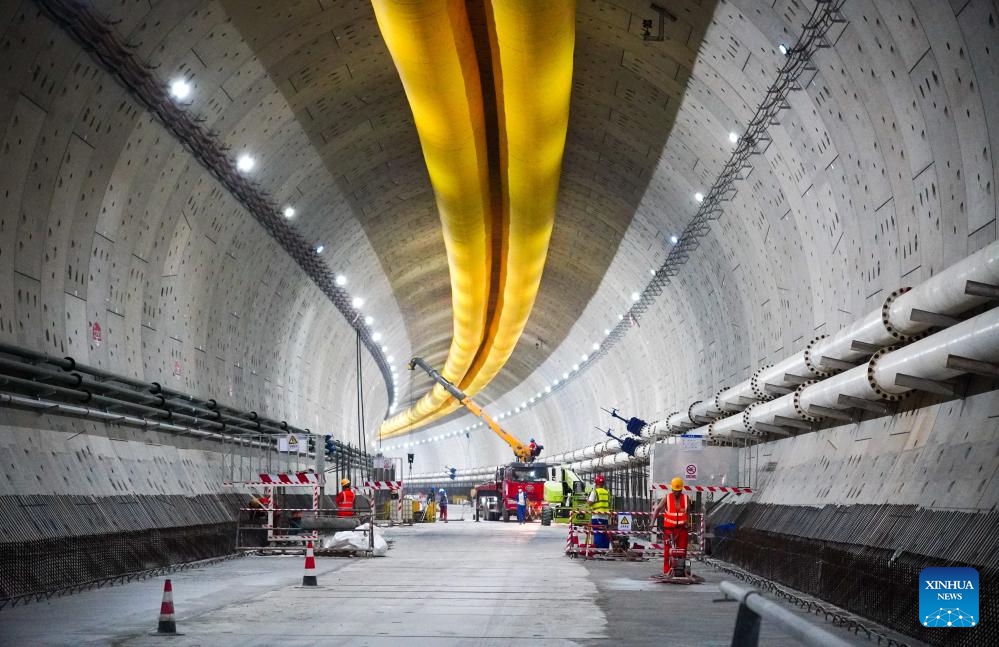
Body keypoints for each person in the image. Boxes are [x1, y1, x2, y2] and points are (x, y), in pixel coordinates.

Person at [652, 477, 690, 576]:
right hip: (669, 531)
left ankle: (681, 571)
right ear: (672, 489)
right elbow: (657, 509)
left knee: (682, 552)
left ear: (681, 489)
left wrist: (688, 522)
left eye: (678, 490)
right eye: (674, 490)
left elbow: (688, 512)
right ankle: (667, 572)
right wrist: (652, 523)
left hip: (682, 530)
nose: (676, 492)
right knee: (667, 552)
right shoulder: (667, 498)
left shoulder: (686, 499)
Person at [587, 474, 611, 554]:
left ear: (595, 483)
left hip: (597, 516)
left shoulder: (595, 492)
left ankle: (598, 550)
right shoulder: (607, 492)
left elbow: (590, 503)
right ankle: (605, 549)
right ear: (603, 483)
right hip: (605, 517)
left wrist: (587, 500)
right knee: (604, 533)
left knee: (597, 533)